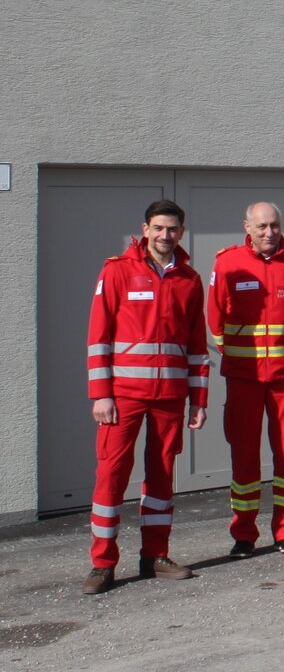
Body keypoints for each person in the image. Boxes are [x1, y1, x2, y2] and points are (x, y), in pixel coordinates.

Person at [83, 200, 210, 595]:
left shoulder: (189, 279)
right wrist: (101, 394)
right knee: (111, 477)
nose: (164, 235)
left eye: (172, 229)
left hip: (169, 399)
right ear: (145, 229)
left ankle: (155, 555)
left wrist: (198, 400)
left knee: (161, 477)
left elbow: (196, 346)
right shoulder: (117, 271)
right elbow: (98, 337)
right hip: (122, 398)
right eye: (158, 228)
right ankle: (103, 563)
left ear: (181, 233)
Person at [208, 201, 284, 557]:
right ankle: (244, 534)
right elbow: (215, 317)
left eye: (274, 225)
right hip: (244, 375)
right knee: (244, 456)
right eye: (261, 227)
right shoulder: (227, 262)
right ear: (247, 227)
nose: (269, 233)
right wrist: (237, 354)